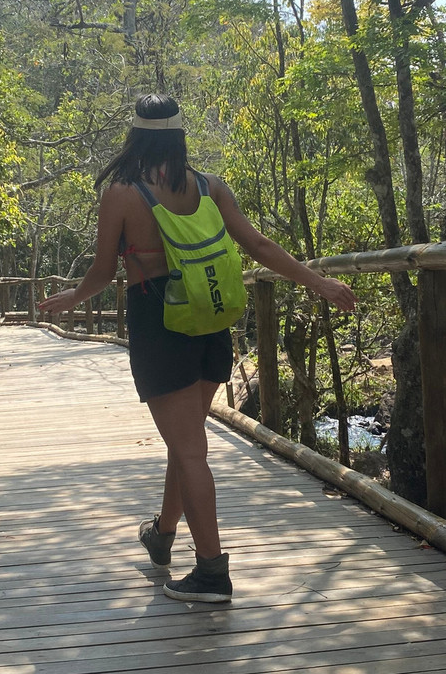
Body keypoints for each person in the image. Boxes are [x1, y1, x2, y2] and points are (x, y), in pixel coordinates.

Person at [39, 93, 357, 603]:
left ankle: (211, 572)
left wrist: (72, 298)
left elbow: (102, 271)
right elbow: (259, 246)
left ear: (135, 135)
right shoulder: (210, 186)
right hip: (211, 321)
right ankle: (162, 535)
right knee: (185, 440)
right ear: (180, 134)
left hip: (159, 323)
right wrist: (319, 282)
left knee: (188, 448)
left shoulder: (123, 192)